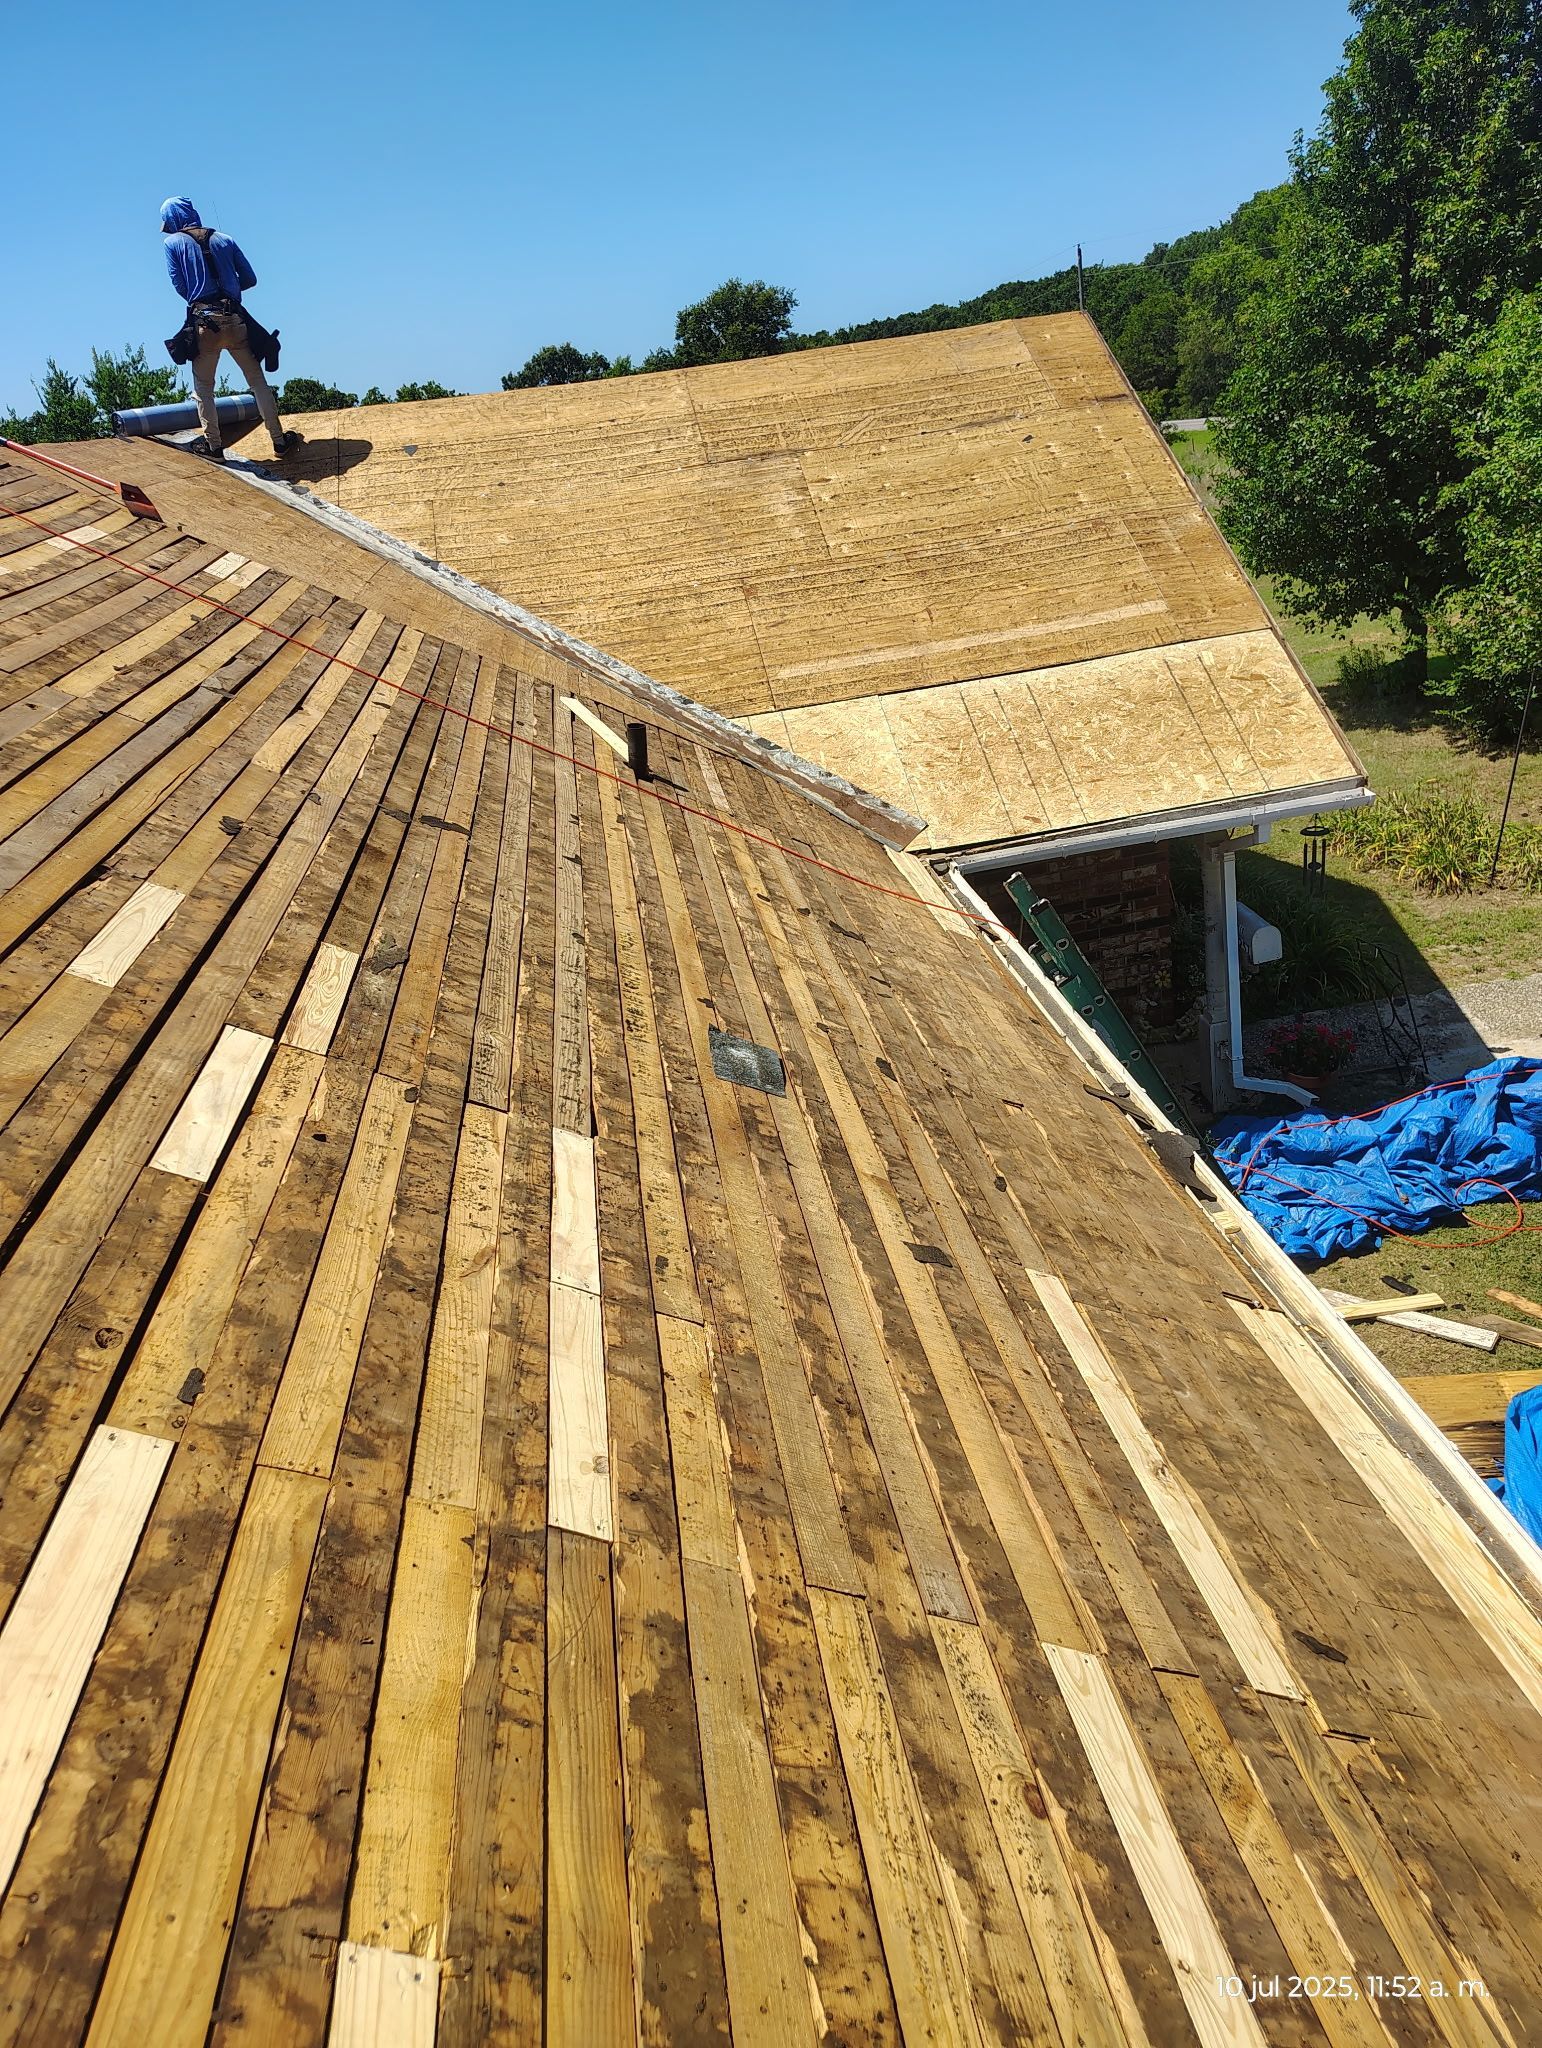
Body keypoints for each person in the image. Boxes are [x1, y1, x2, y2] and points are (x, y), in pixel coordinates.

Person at [160, 197, 299, 464]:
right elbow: (250, 279)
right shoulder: (224, 239)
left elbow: (179, 286)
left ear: (174, 219)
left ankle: (214, 447)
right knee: (256, 381)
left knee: (203, 388)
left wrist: (202, 293)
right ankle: (280, 441)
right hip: (236, 320)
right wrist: (229, 289)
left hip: (204, 323)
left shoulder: (172, 244)